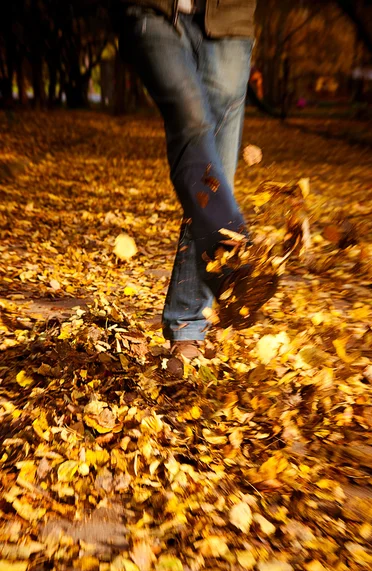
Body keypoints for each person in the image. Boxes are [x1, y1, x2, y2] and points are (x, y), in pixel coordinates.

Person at [117, 0, 276, 363]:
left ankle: (188, 324)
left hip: (229, 22)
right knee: (191, 120)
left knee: (215, 177)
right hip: (153, 11)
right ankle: (233, 259)